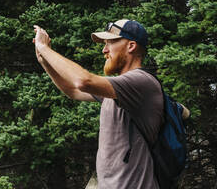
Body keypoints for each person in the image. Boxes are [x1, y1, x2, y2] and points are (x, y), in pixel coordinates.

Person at [33, 19, 171, 189]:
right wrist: (44, 61)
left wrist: (44, 48)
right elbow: (73, 91)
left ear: (131, 46)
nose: (104, 50)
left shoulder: (141, 82)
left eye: (110, 43)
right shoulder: (116, 89)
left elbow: (83, 81)